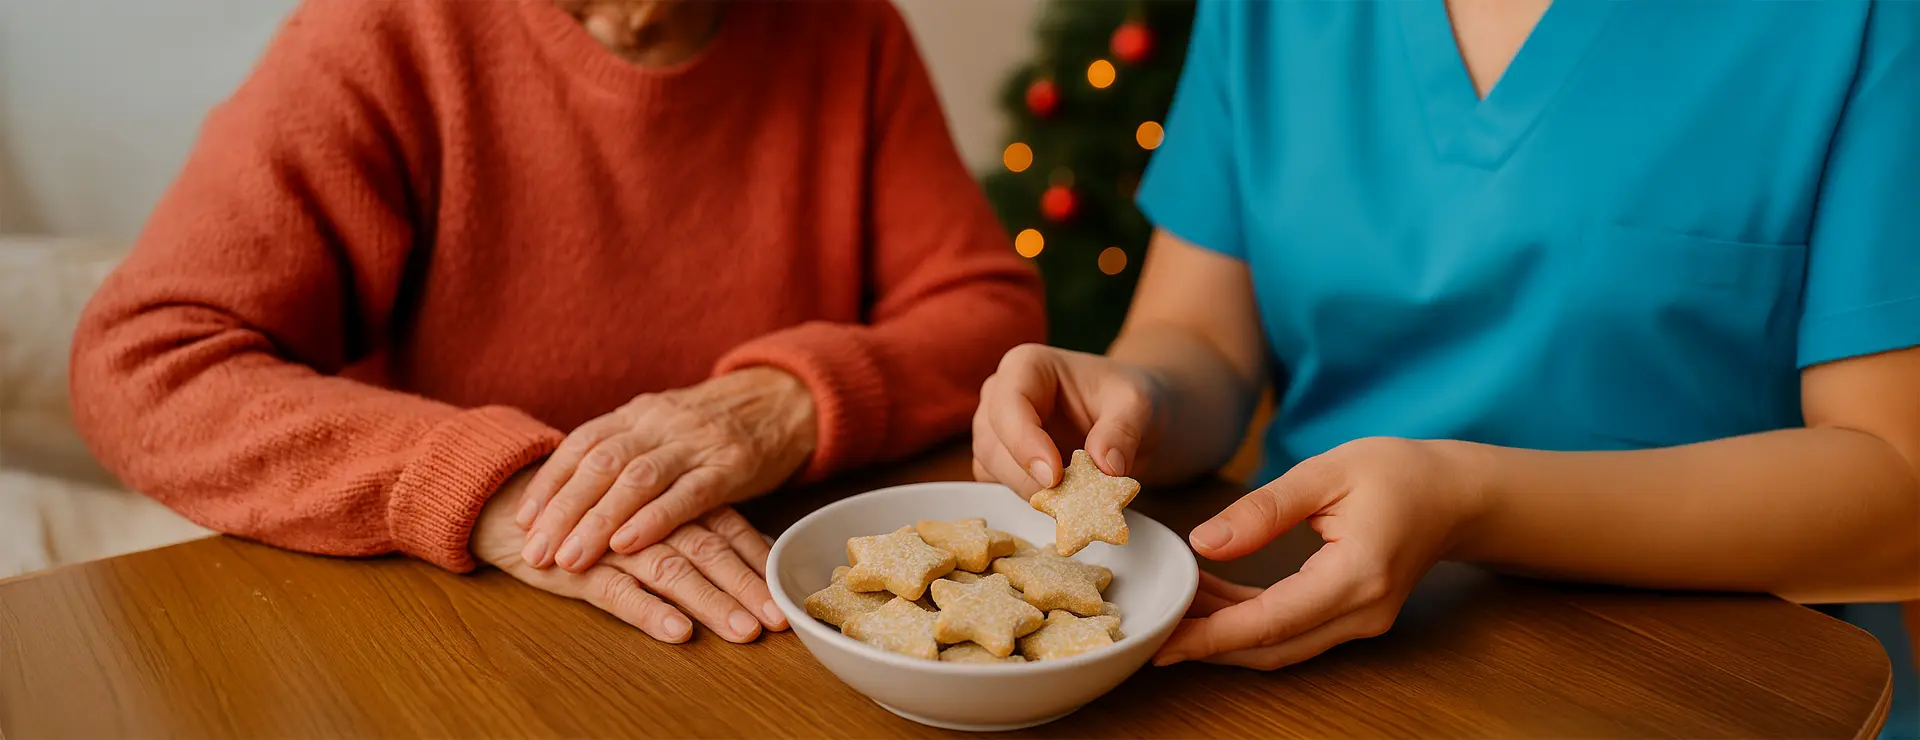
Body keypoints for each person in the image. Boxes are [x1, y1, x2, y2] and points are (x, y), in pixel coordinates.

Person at [971, 0, 1918, 734]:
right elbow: (1204, 341)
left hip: (1719, 682)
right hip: (1293, 662)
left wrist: (1470, 498)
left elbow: (1899, 484)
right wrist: (1134, 399)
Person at [69, 0, 1044, 647]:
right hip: (442, 632)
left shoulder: (847, 26)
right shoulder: (382, 29)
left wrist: (787, 402)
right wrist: (493, 483)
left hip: (765, 624)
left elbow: (988, 309)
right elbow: (142, 361)